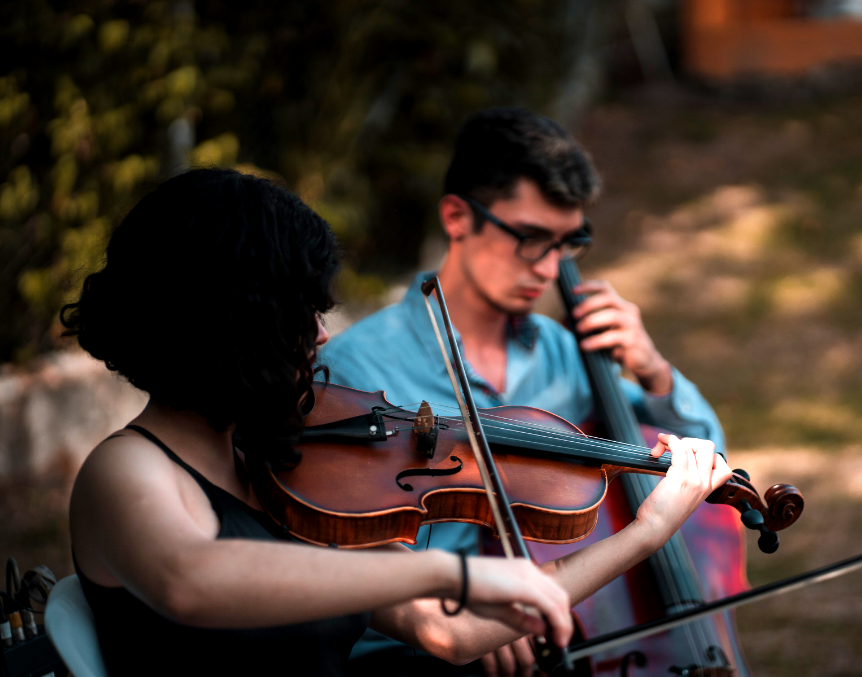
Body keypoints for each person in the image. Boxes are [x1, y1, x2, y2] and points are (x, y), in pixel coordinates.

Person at [63, 168, 731, 677]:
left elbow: (455, 629)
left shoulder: (289, 466)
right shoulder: (127, 470)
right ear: (235, 325)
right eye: (301, 315)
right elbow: (192, 579)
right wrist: (446, 572)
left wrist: (645, 531)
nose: (321, 337)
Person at [319, 107, 731, 677]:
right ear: (458, 217)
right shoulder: (352, 369)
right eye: (532, 239)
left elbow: (701, 463)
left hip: (558, 632)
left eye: (568, 243)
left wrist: (654, 371)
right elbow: (336, 544)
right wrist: (467, 605)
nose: (551, 267)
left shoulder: (566, 355)